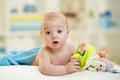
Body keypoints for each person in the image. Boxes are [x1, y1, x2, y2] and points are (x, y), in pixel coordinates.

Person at [31, 11, 84, 76]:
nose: (54, 36)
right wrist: (65, 69)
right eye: (48, 33)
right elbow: (45, 69)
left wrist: (81, 53)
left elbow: (77, 59)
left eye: (59, 31)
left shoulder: (70, 47)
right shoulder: (44, 52)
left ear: (67, 33)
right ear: (42, 35)